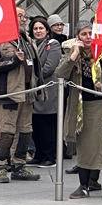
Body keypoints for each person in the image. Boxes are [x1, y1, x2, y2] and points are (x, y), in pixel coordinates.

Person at [57, 22, 102, 199]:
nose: (88, 37)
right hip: (84, 109)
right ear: (77, 37)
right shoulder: (71, 53)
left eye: (90, 34)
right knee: (86, 148)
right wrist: (74, 55)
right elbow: (60, 74)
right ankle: (83, 186)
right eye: (84, 34)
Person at [0, 8, 42, 184]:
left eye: (25, 16)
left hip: (27, 93)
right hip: (9, 93)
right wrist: (14, 61)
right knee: (5, 131)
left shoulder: (26, 39)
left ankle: (19, 165)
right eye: (20, 16)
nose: (24, 19)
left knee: (25, 130)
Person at [27, 17, 62, 168]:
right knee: (36, 124)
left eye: (41, 28)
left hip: (47, 90)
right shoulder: (32, 45)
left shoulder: (52, 45)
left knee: (47, 124)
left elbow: (49, 67)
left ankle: (50, 156)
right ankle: (39, 154)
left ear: (47, 30)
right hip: (35, 91)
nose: (38, 31)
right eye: (35, 29)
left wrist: (31, 77)